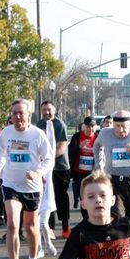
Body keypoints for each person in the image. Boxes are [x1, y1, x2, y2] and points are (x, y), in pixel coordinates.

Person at [0, 99, 54, 259]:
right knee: (12, 225)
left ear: (29, 115)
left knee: (31, 227)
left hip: (32, 187)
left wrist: (38, 172)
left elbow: (49, 159)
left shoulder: (37, 134)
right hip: (10, 184)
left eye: (21, 113)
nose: (17, 117)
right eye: (14, 113)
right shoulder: (6, 133)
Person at [94, 109, 130, 221]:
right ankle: (119, 237)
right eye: (117, 126)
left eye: (124, 126)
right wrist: (99, 166)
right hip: (113, 181)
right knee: (117, 215)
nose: (120, 130)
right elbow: (97, 146)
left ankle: (129, 237)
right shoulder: (105, 133)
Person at [39, 101, 73, 238]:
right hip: (45, 169)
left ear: (54, 110)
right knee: (46, 197)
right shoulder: (39, 125)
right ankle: (50, 227)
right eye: (44, 110)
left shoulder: (59, 125)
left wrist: (48, 160)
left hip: (60, 168)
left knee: (60, 197)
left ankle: (65, 224)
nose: (47, 113)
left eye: (49, 110)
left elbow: (61, 148)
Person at [68, 116, 99, 209]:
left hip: (91, 172)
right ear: (84, 126)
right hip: (78, 171)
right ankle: (77, 199)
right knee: (81, 193)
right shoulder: (77, 137)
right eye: (88, 126)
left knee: (88, 194)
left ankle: (86, 212)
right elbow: (69, 152)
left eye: (93, 126)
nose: (90, 129)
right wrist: (79, 147)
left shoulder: (98, 138)